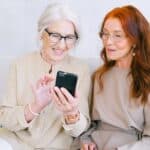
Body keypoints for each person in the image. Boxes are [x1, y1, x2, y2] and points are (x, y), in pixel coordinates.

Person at [0, 3, 91, 150]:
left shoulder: (81, 69)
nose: (62, 45)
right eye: (55, 35)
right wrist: (35, 107)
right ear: (42, 33)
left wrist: (71, 112)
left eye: (69, 37)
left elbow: (80, 130)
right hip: (16, 143)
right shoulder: (19, 64)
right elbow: (4, 118)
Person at [80, 5, 150, 150]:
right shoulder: (99, 76)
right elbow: (91, 124)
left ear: (135, 40)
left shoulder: (146, 80)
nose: (108, 42)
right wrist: (85, 140)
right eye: (105, 34)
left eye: (117, 35)